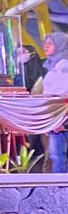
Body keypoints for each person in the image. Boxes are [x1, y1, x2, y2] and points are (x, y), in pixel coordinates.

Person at [43, 33, 68, 172]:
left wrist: (60, 119)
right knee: (55, 155)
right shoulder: (54, 64)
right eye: (45, 43)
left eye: (50, 43)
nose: (45, 46)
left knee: (57, 155)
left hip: (61, 118)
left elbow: (62, 94)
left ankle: (61, 184)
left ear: (60, 45)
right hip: (54, 117)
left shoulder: (64, 65)